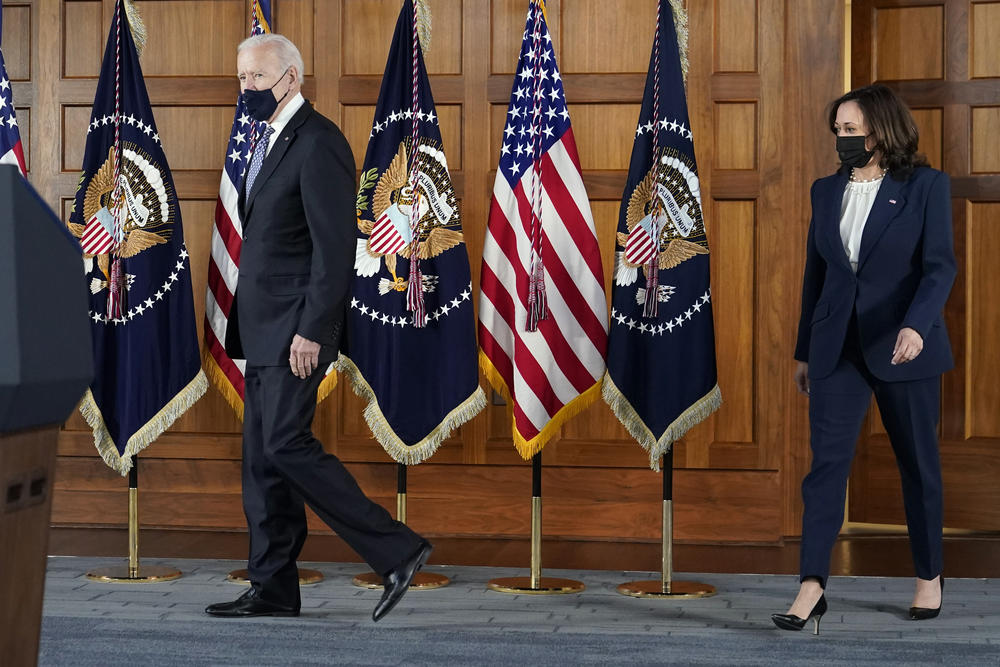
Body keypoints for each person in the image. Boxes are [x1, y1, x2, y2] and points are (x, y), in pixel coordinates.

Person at [205, 34, 431, 622]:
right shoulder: (266, 139)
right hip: (259, 328)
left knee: (285, 444)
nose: (246, 89)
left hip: (294, 332)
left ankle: (398, 549)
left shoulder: (320, 143)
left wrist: (314, 330)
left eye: (256, 78)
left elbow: (334, 251)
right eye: (241, 79)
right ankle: (273, 587)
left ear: (292, 79)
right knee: (262, 459)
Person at [772, 84, 955, 634]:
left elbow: (939, 267)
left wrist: (917, 326)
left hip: (904, 346)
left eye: (852, 130)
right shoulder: (824, 191)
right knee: (826, 467)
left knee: (918, 466)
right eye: (839, 131)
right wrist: (805, 350)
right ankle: (811, 584)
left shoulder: (925, 186)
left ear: (882, 130)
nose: (843, 140)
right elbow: (817, 276)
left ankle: (929, 577)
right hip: (837, 349)